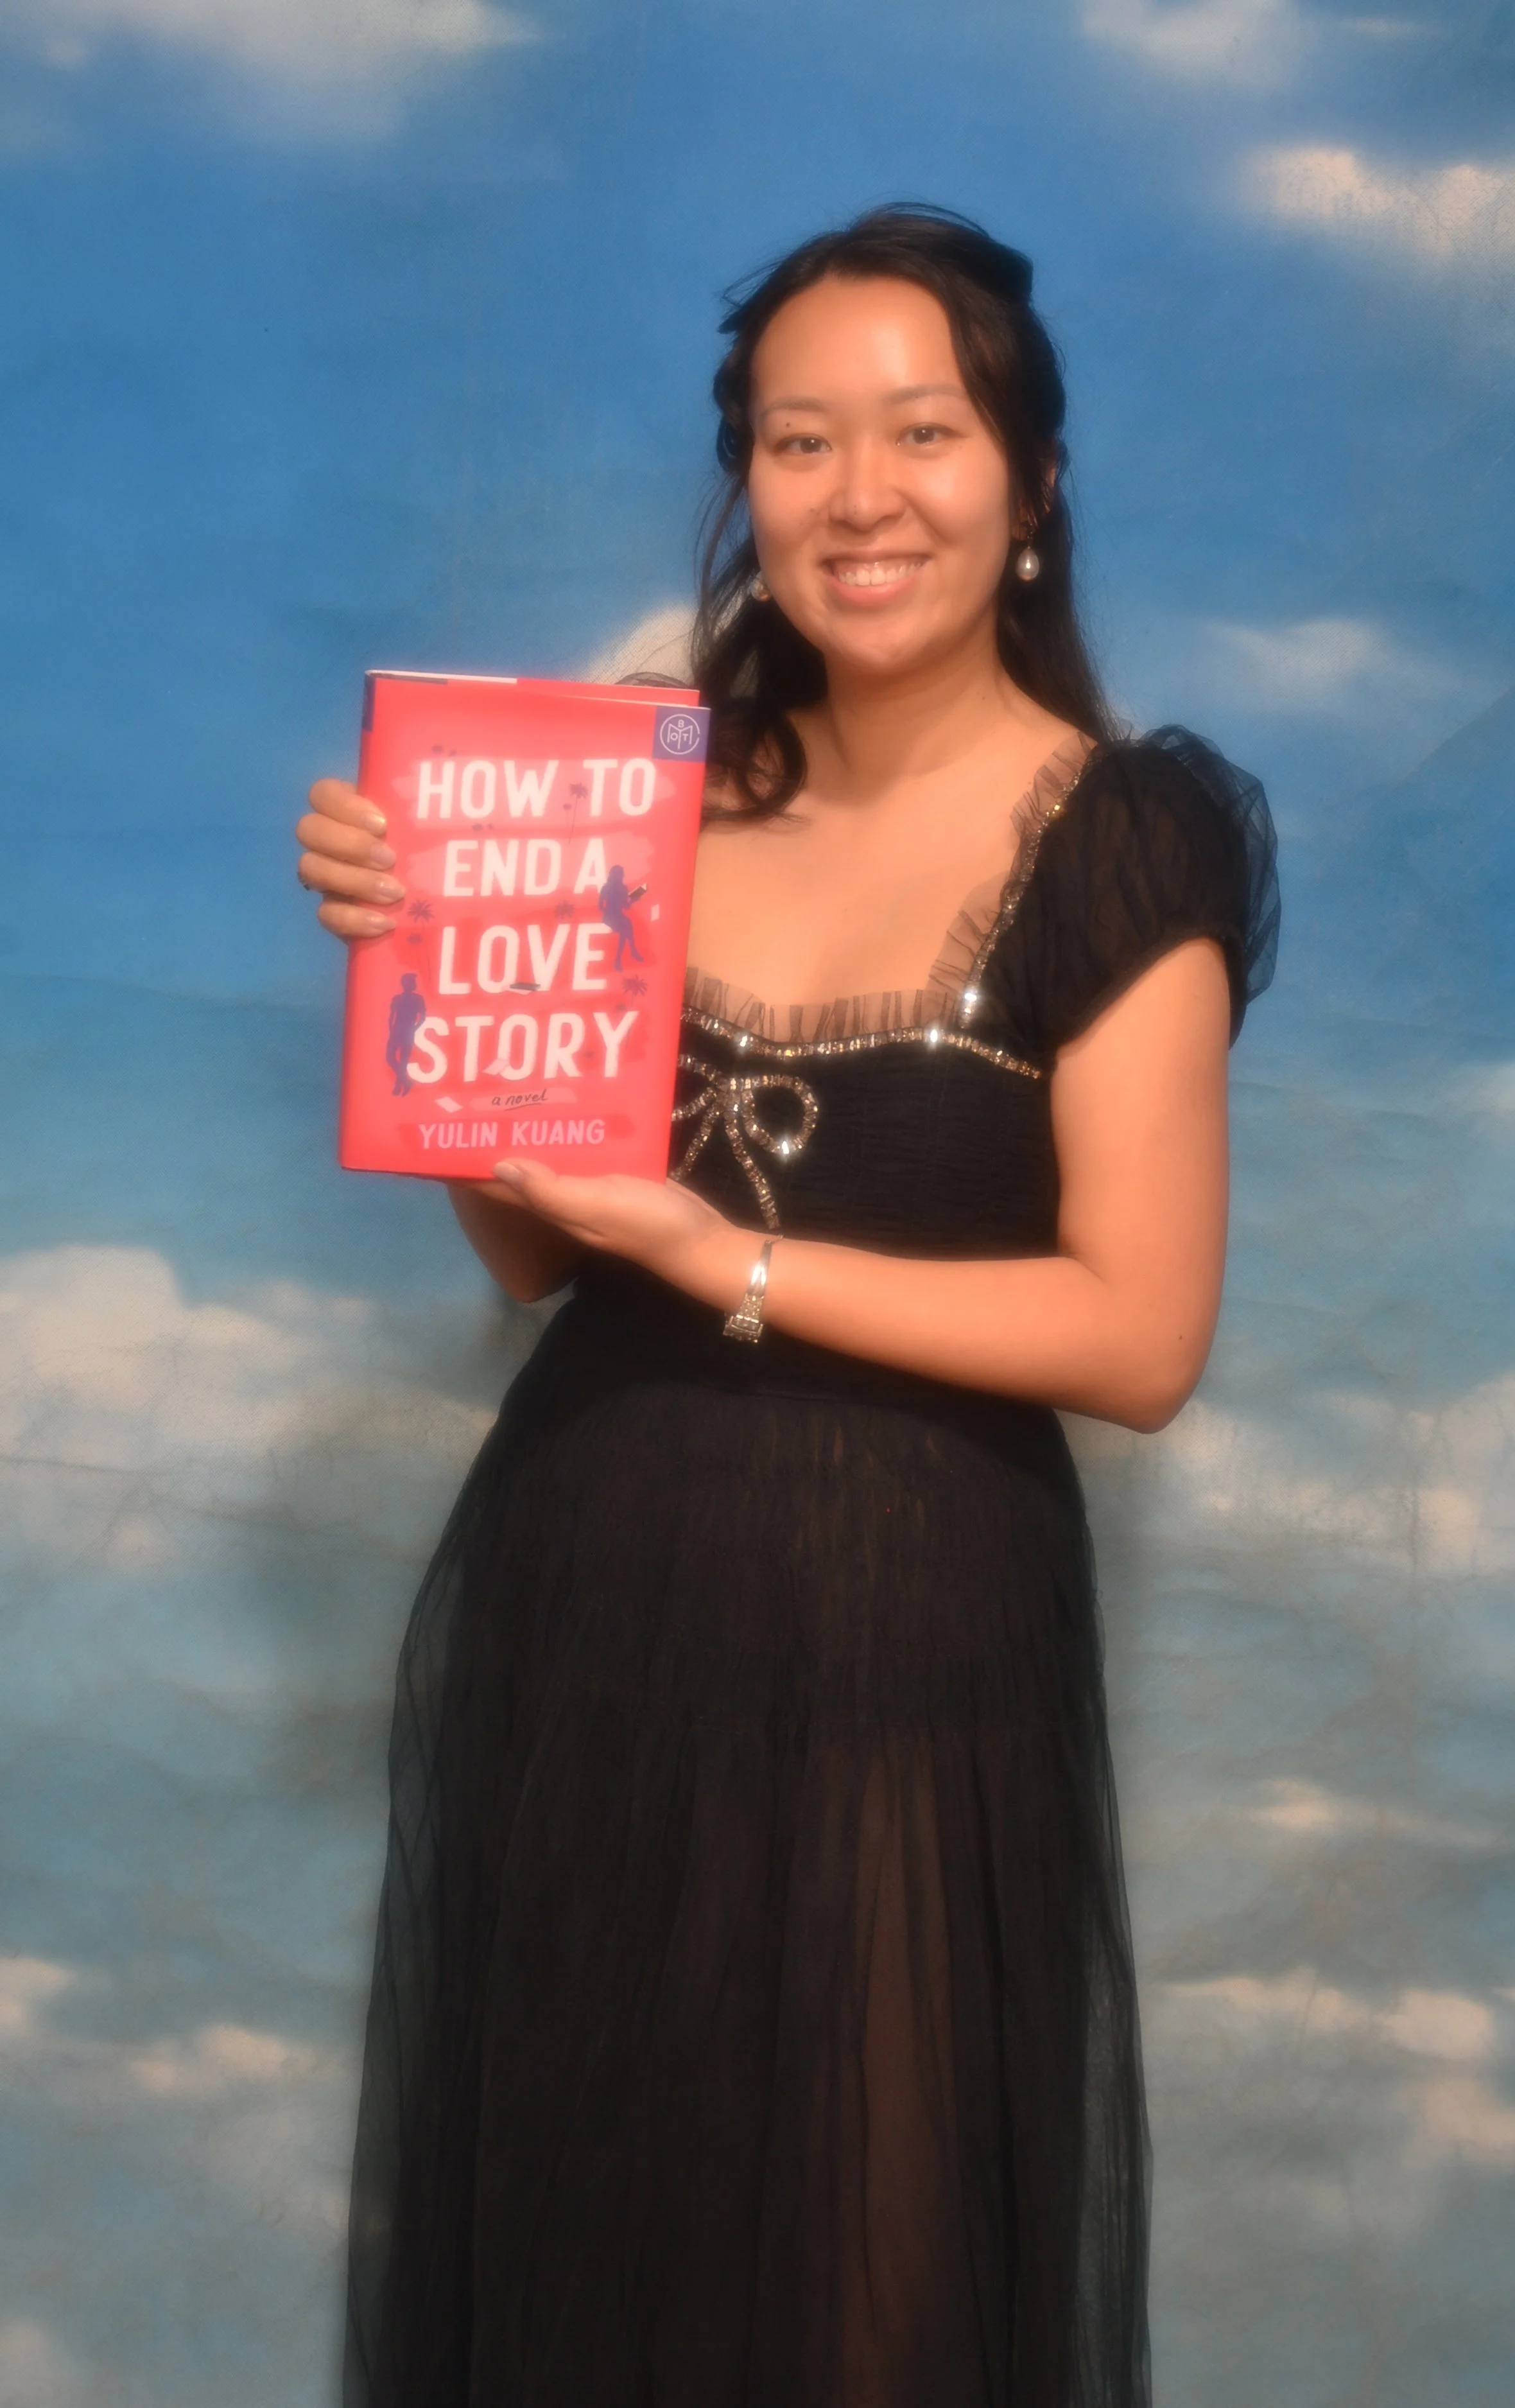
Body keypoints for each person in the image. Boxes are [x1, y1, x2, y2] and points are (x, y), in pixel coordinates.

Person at [296, 205, 1277, 2408]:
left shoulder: (1125, 833)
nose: (860, 494)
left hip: (915, 1656)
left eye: (921, 432)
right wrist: (424, 974)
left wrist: (719, 1255)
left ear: (1026, 484)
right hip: (589, 1604)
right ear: (745, 483)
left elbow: (1137, 1338)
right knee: (588, 2275)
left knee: (870, 2305)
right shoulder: (642, 783)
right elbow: (542, 1243)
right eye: (799, 438)